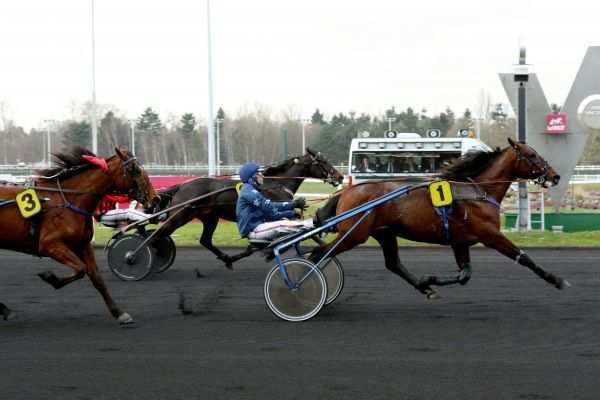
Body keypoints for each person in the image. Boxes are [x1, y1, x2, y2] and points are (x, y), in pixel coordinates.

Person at [236, 162, 313, 241]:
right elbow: (271, 209)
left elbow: (271, 210)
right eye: (259, 173)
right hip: (254, 230)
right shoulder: (249, 191)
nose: (262, 176)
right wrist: (291, 209)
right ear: (253, 177)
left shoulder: (251, 190)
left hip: (258, 226)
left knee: (287, 223)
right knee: (283, 225)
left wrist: (292, 207)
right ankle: (313, 223)